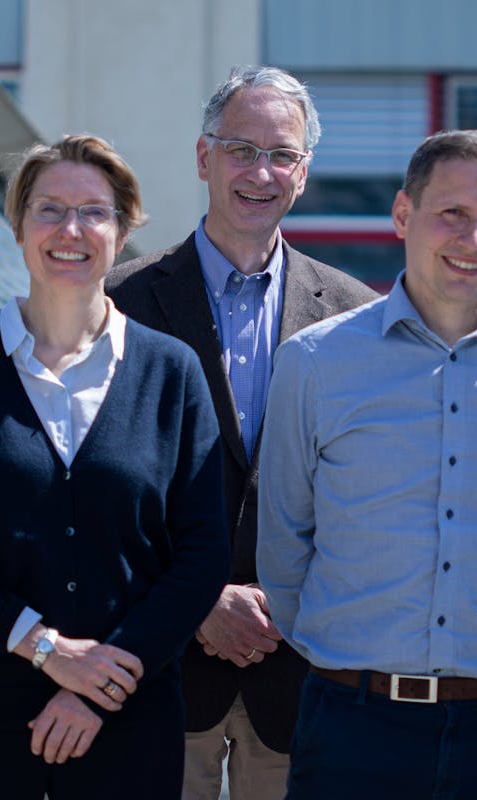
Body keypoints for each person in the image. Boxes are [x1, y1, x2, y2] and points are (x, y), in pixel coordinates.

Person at [256, 130, 477, 800]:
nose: (472, 241)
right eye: (452, 214)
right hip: (352, 732)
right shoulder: (314, 363)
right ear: (401, 215)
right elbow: (284, 547)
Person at [0, 134, 229, 798]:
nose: (71, 230)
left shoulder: (172, 371)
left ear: (124, 228)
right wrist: (46, 650)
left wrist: (98, 683)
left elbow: (202, 557)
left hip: (127, 722)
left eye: (94, 211)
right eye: (49, 209)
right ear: (18, 227)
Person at [105, 65, 378, 800]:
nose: (261, 172)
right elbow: (93, 491)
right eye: (240, 150)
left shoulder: (356, 316)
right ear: (203, 158)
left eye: (281, 154)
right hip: (155, 670)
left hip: (300, 676)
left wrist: (287, 604)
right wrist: (196, 602)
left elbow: (366, 495)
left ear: (304, 170)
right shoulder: (118, 303)